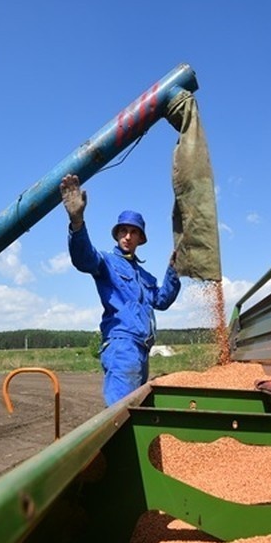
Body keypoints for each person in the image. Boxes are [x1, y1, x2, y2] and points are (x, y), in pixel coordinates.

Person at [60, 174, 181, 406]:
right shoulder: (107, 263)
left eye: (133, 232)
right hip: (122, 345)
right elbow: (84, 259)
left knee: (134, 410)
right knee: (121, 412)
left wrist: (174, 270)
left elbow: (162, 300)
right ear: (117, 234)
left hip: (142, 350)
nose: (127, 236)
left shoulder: (144, 276)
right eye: (123, 231)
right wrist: (77, 223)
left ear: (140, 238)